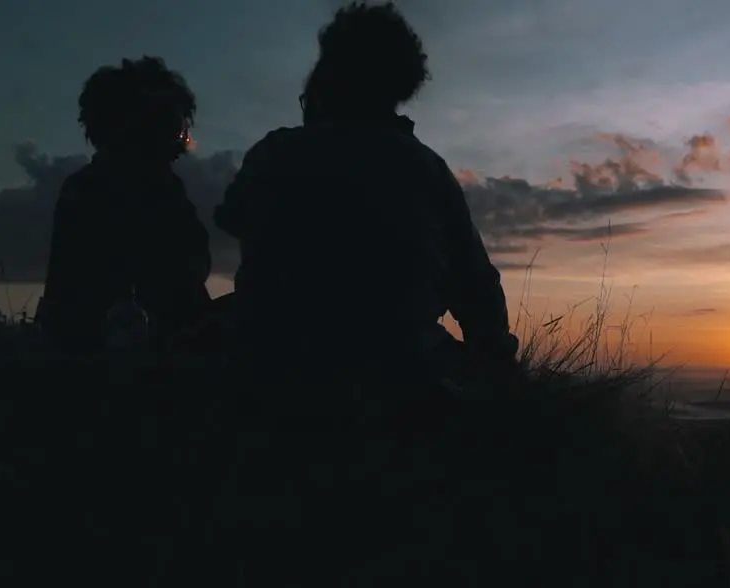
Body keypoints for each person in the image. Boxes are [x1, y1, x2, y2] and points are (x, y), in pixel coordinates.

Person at [214, 1, 519, 388]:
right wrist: (498, 366)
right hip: (403, 381)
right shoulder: (425, 167)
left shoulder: (273, 152)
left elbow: (232, 218)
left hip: (270, 378)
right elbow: (477, 291)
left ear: (328, 76)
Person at [37, 56, 212, 354]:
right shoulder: (155, 192)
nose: (182, 144)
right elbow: (189, 272)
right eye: (178, 128)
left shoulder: (81, 189)